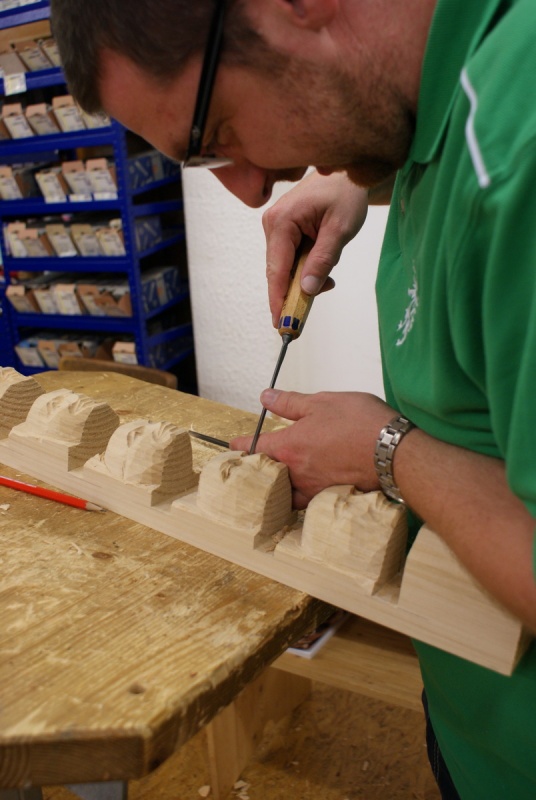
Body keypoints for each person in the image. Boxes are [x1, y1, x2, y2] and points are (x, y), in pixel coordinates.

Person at [50, 1, 536, 798]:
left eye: (215, 136)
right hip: (469, 724)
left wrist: (390, 451)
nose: (249, 191)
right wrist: (361, 175)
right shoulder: (435, 95)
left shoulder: (520, 151)